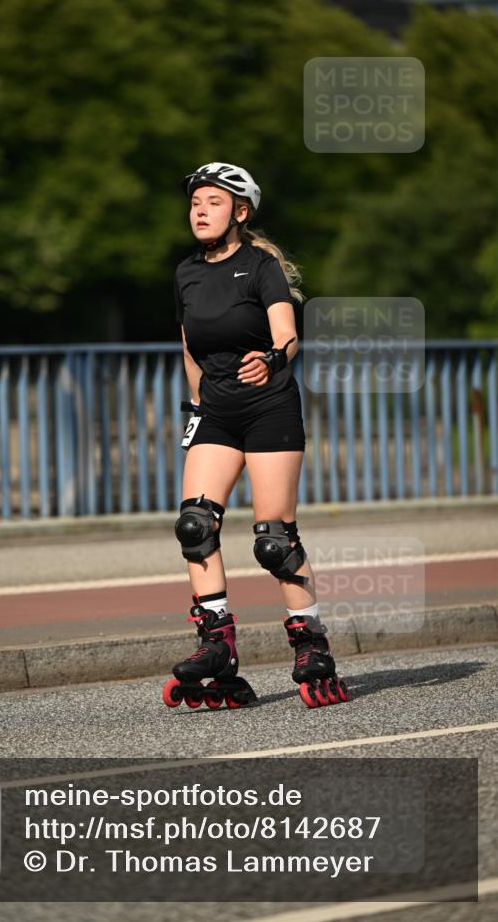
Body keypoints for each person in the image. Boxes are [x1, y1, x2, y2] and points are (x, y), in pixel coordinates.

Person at [164, 162, 349, 710]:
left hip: (269, 408)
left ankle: (311, 645)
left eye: (213, 202)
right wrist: (196, 409)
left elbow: (288, 335)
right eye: (195, 202)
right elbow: (189, 347)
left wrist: (270, 359)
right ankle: (216, 646)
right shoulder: (185, 274)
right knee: (195, 526)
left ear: (240, 212)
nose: (200, 210)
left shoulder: (261, 266)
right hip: (218, 413)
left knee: (274, 540)